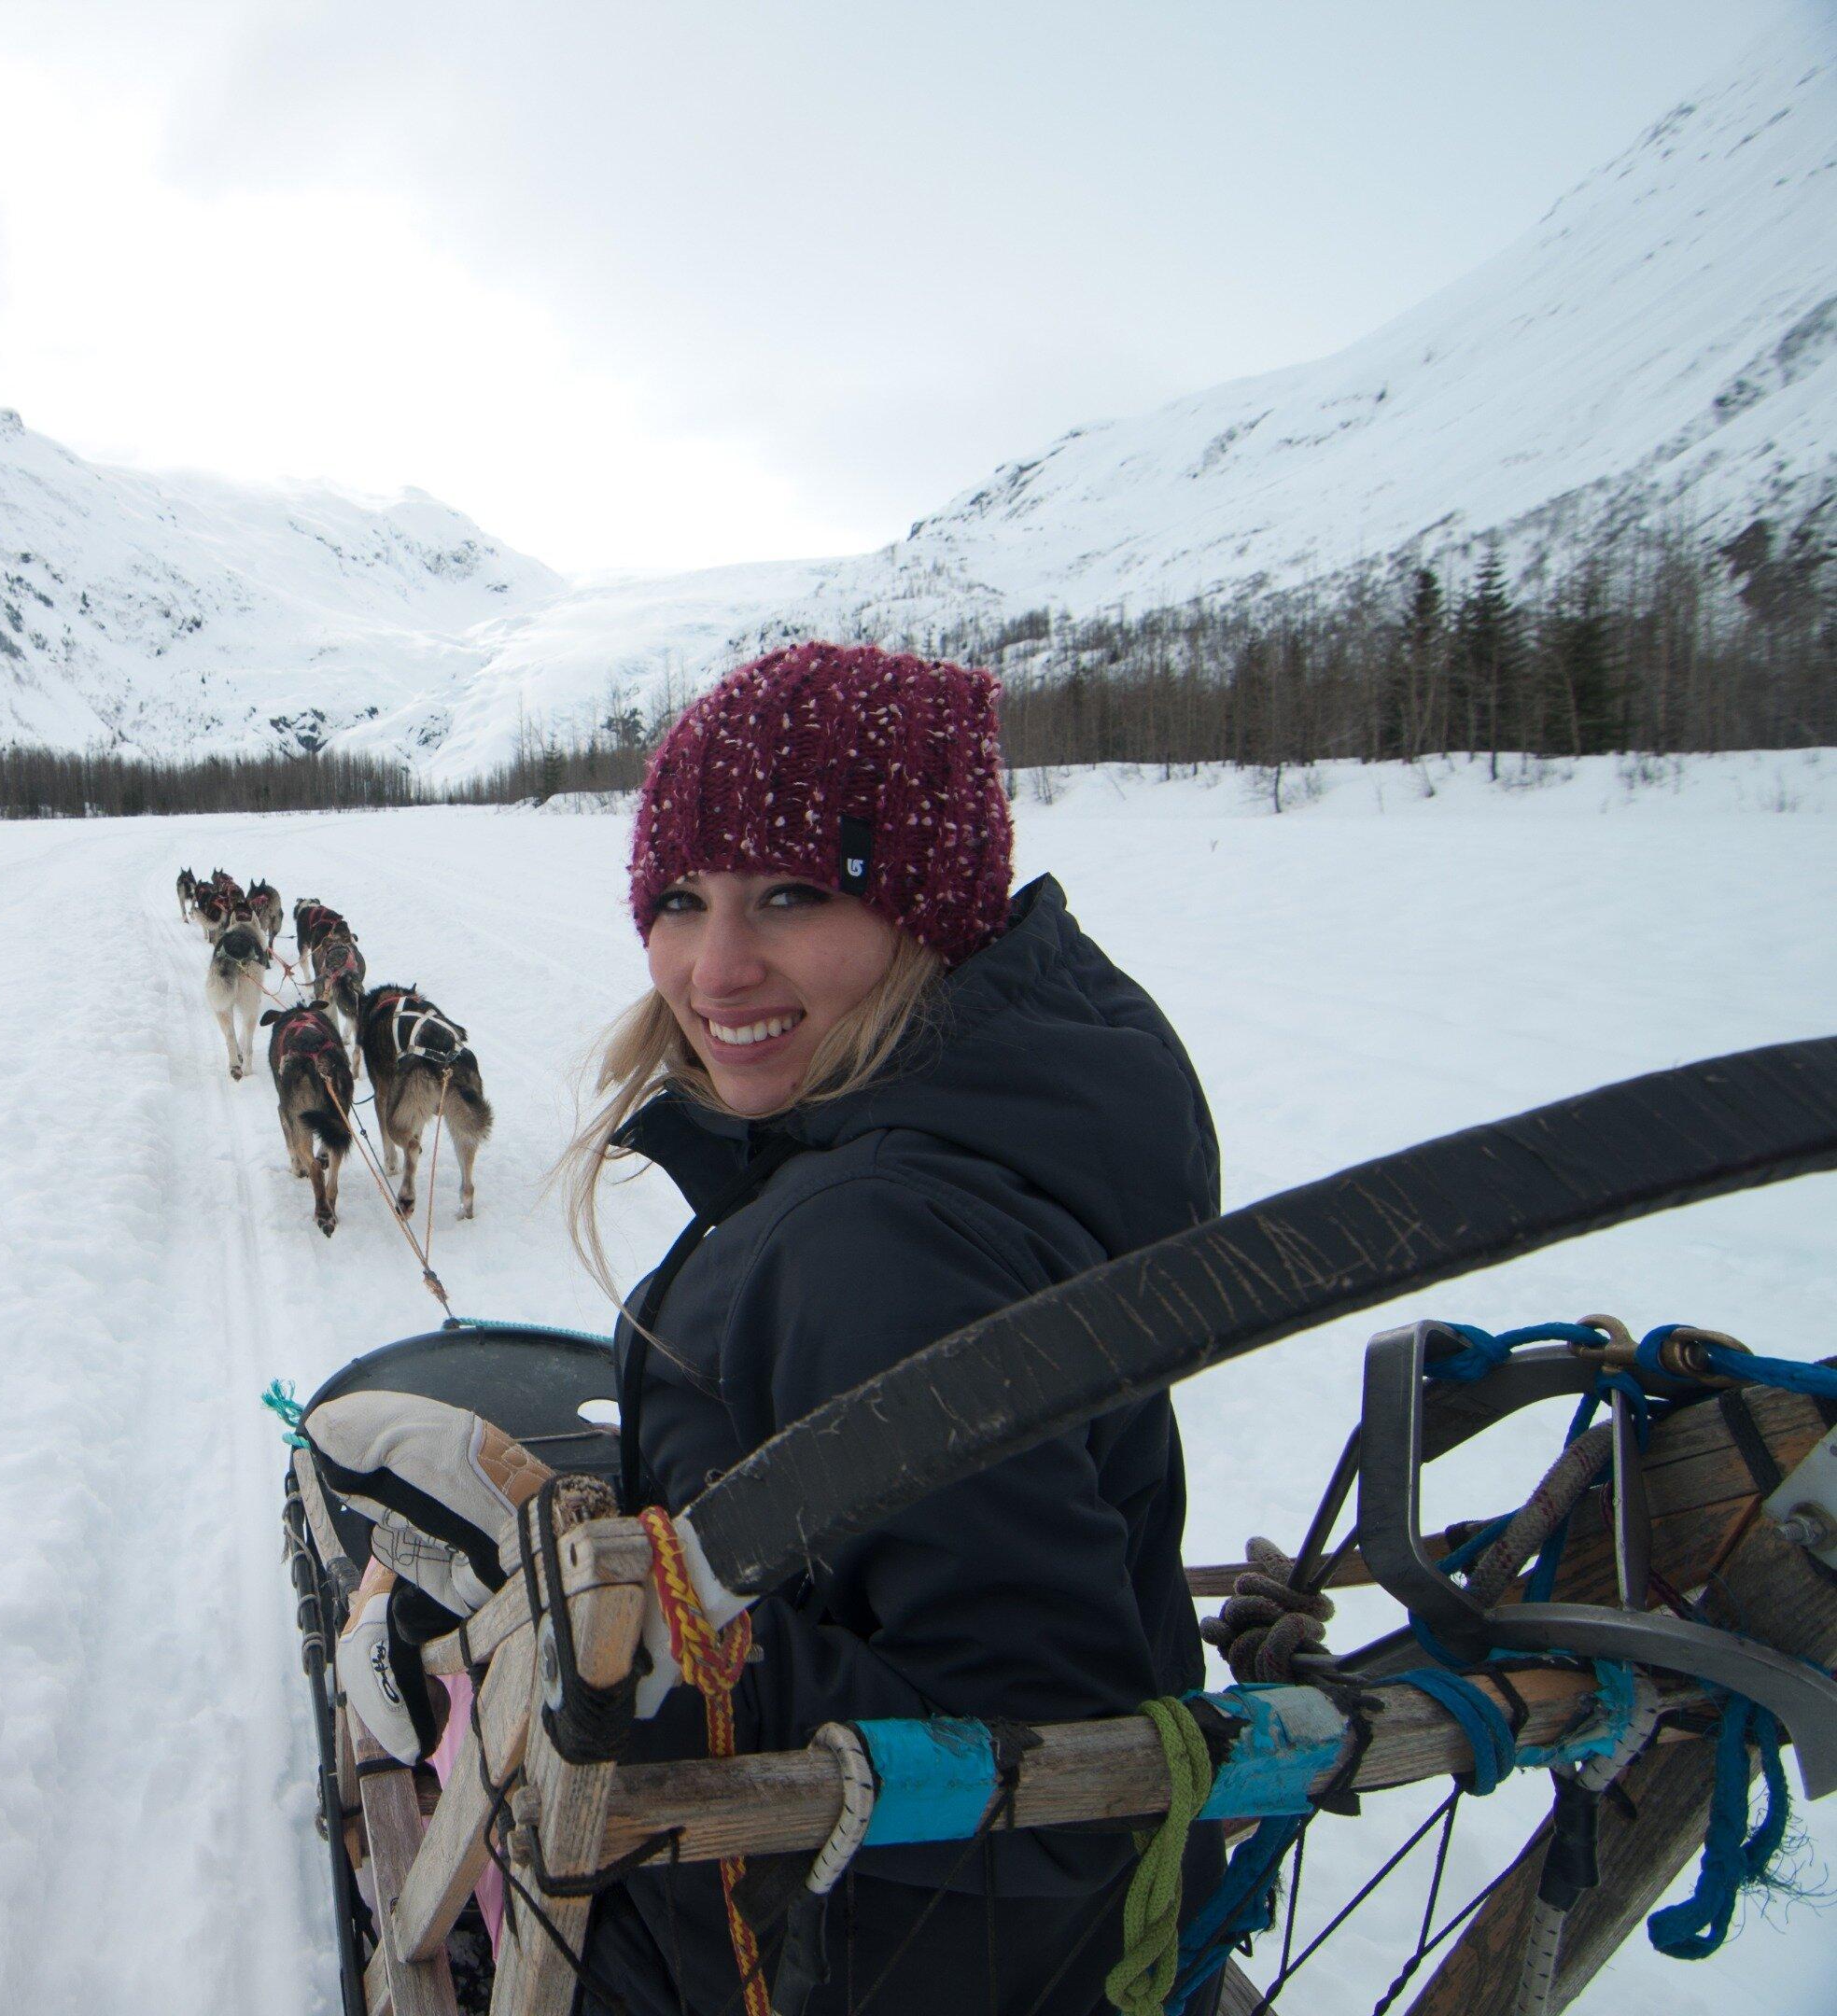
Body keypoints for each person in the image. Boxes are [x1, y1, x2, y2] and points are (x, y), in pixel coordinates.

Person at [311, 640, 1224, 2015]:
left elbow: (1049, 1774)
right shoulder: (976, 1133)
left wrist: (574, 1628)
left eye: (792, 896)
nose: (714, 969)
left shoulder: (881, 1239)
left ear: (932, 912)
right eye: (680, 901)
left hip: (816, 1957)